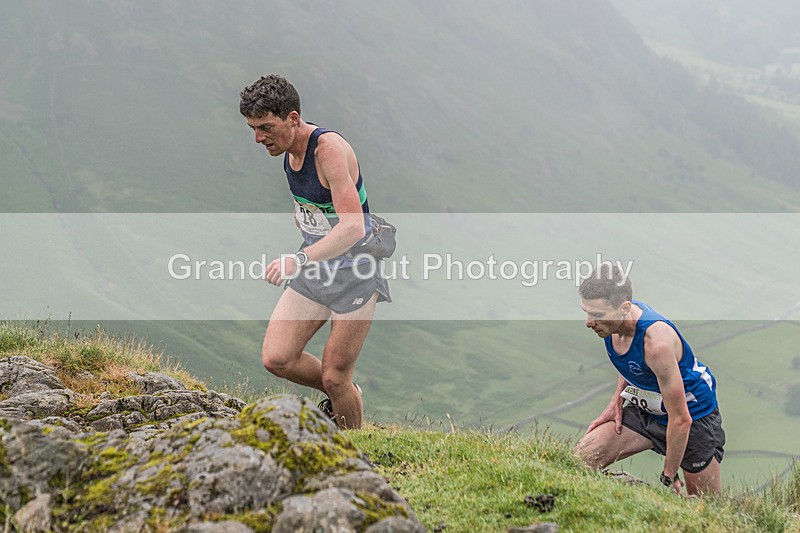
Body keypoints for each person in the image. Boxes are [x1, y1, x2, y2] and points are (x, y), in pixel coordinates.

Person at [239, 74, 390, 429]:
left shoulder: (329, 151)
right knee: (277, 358)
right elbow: (314, 209)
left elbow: (353, 227)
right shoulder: (287, 151)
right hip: (318, 268)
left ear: (293, 118)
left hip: (356, 271)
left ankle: (355, 450)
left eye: (265, 127)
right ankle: (346, 395)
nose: (259, 138)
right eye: (252, 128)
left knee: (336, 375)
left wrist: (299, 259)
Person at [573, 265, 724, 496]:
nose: (588, 322)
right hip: (647, 411)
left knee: (705, 505)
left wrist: (669, 473)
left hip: (692, 416)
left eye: (597, 315)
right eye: (586, 311)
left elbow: (681, 419)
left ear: (624, 308)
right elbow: (629, 361)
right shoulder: (612, 324)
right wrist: (616, 401)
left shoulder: (657, 343)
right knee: (579, 459)